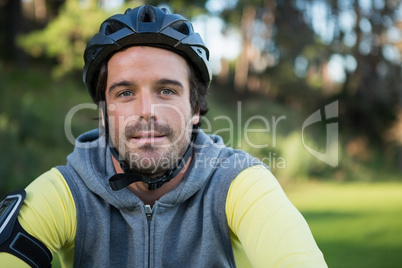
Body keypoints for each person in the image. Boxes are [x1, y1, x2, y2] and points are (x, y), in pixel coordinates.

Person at [0, 4, 327, 267]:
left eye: (167, 90)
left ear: (195, 107)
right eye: (125, 93)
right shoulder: (66, 192)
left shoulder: (238, 183)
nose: (147, 111)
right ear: (104, 112)